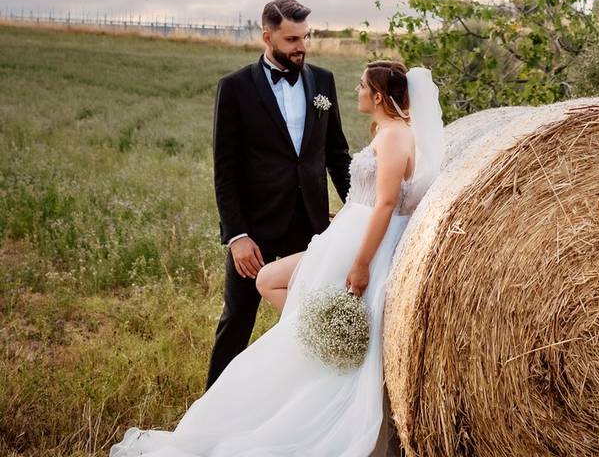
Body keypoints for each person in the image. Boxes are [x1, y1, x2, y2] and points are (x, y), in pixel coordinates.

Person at [111, 60, 444, 457]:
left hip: (363, 246)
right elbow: (374, 196)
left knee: (289, 292)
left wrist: (360, 263)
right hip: (347, 234)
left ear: (376, 96)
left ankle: (324, 352)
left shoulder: (394, 136)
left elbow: (388, 203)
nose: (354, 91)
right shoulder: (387, 131)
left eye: (360, 86)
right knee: (271, 280)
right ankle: (320, 339)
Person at [206, 0, 352, 389]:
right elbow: (225, 170)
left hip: (309, 226)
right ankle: (212, 407)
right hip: (253, 231)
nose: (300, 46)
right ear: (267, 36)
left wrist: (358, 211)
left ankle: (300, 399)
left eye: (304, 37)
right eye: (291, 39)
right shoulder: (234, 88)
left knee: (308, 318)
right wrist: (237, 236)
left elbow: (336, 155)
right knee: (237, 319)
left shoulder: (323, 82)